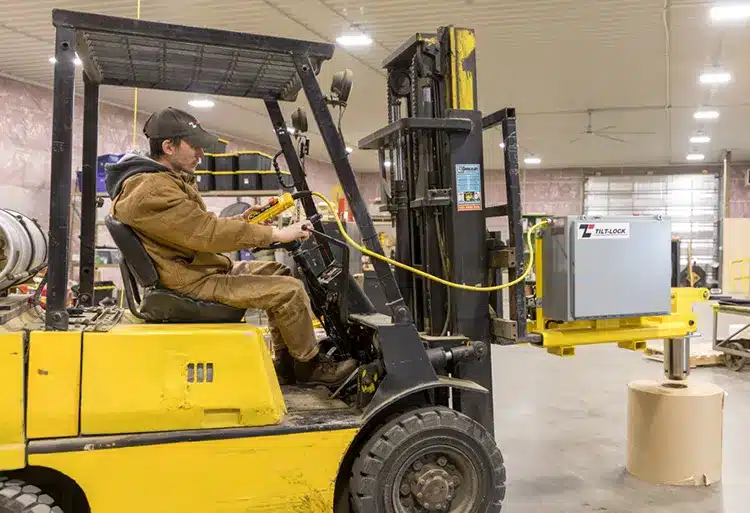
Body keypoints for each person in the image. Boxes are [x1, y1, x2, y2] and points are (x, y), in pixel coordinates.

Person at [105, 107, 358, 386]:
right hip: (190, 282)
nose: (201, 153)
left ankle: (287, 364)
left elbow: (192, 226)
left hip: (194, 269)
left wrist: (245, 220)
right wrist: (276, 234)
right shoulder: (152, 190)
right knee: (290, 291)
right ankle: (310, 369)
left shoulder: (163, 181)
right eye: (195, 146)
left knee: (279, 273)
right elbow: (207, 233)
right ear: (168, 147)